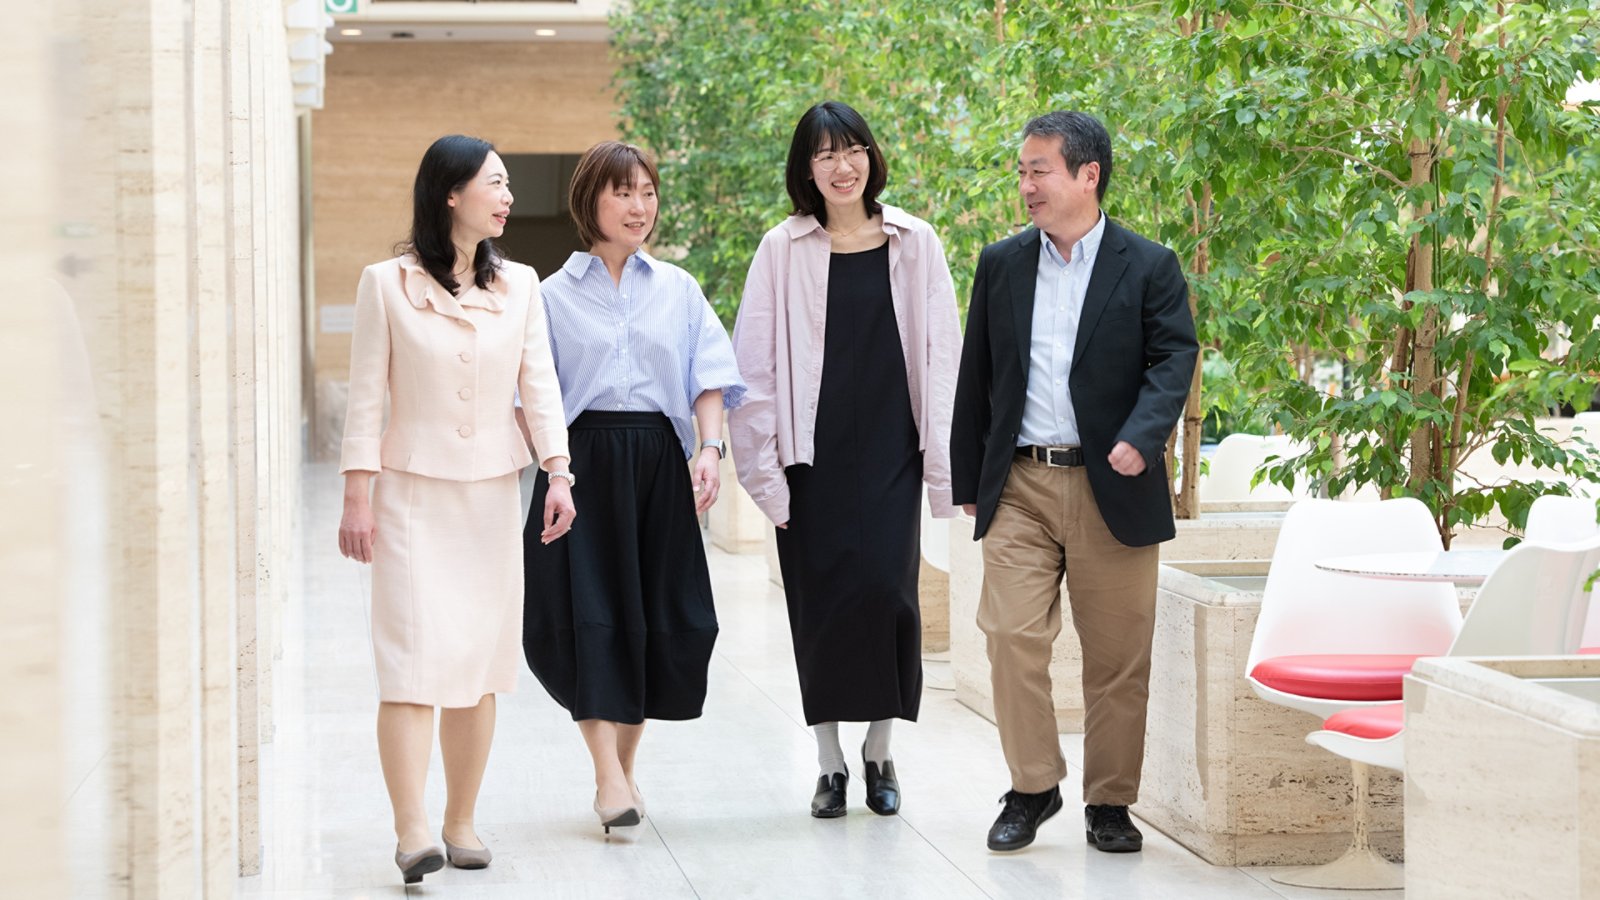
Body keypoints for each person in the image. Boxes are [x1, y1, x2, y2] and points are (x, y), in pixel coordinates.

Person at [951, 110, 1199, 854]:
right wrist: (971, 474)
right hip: (1023, 481)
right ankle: (1033, 786)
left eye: (1040, 170)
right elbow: (978, 375)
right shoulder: (1001, 263)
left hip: (1111, 486)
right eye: (1022, 170)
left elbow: (1172, 360)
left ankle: (1110, 803)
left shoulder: (1148, 264)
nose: (1025, 184)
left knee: (1118, 657)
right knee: (1009, 634)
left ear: (1088, 175)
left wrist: (1140, 436)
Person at [338, 134, 574, 884]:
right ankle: (412, 832)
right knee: (411, 664)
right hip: (409, 495)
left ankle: (461, 820)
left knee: (478, 663)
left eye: (506, 186)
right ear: (449, 193)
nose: (507, 198)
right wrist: (357, 493)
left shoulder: (524, 286)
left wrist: (558, 472)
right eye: (494, 184)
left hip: (489, 499)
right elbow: (365, 394)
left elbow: (540, 387)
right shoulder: (385, 284)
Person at [729, 100, 962, 818]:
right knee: (821, 605)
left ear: (871, 157)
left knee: (891, 599)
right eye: (826, 153)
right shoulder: (782, 247)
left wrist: (945, 463)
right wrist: (764, 472)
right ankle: (829, 760)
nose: (842, 165)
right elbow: (754, 368)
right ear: (806, 168)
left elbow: (944, 355)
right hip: (812, 456)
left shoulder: (913, 241)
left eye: (853, 148)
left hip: (893, 446)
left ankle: (880, 749)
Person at [522, 140, 745, 834]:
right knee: (591, 616)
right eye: (623, 193)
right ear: (590, 199)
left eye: (647, 192)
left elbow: (708, 377)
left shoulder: (677, 288)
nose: (639, 206)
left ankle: (623, 768)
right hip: (580, 466)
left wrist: (709, 450)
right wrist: (554, 469)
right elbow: (533, 395)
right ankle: (607, 776)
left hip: (657, 462)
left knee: (657, 616)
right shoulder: (547, 296)